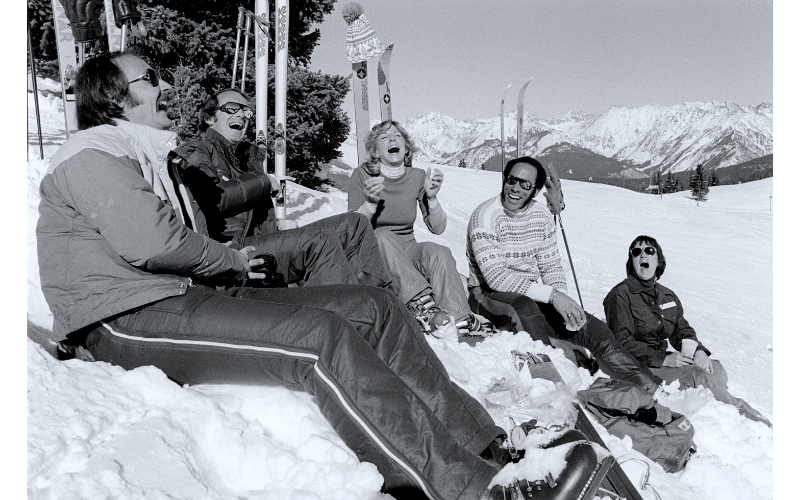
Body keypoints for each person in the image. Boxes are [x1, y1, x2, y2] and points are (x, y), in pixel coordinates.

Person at [35, 51, 528, 500]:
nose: (166, 86)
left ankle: (485, 447)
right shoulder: (90, 154)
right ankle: (466, 490)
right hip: (121, 318)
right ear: (116, 97)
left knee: (374, 307)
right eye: (151, 78)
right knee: (319, 337)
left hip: (182, 295)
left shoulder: (147, 152)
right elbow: (154, 243)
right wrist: (229, 261)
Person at [466, 156, 662, 389]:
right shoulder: (485, 216)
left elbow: (550, 266)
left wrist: (563, 302)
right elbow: (496, 277)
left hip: (529, 290)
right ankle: (552, 384)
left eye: (525, 184)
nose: (515, 188)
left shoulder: (540, 217)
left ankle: (649, 386)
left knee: (594, 329)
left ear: (535, 190)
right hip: (487, 294)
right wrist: (554, 297)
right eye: (512, 180)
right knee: (524, 309)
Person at [172, 88, 392, 289]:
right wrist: (263, 181)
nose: (241, 115)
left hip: (264, 244)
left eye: (246, 111)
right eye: (232, 108)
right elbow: (213, 199)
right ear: (210, 117)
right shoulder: (196, 150)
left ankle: (375, 299)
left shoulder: (246, 158)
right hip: (232, 250)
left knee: (355, 224)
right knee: (321, 239)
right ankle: (343, 316)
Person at [603, 236, 771, 425]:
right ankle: (747, 416)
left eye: (649, 251)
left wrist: (699, 352)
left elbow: (681, 330)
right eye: (636, 252)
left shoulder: (666, 295)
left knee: (716, 369)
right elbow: (621, 342)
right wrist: (664, 359)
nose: (643, 255)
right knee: (697, 376)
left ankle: (711, 395)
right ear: (631, 261)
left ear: (658, 259)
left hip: (659, 361)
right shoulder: (620, 295)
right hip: (637, 366)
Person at [347, 120, 489, 337]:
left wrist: (431, 198)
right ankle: (423, 307)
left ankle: (460, 318)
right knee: (383, 235)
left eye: (397, 136)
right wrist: (370, 205)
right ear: (375, 151)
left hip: (407, 250)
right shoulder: (362, 175)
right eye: (384, 137)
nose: (392, 139)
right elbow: (351, 229)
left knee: (438, 251)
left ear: (406, 148)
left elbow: (438, 227)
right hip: (373, 255)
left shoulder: (417, 177)